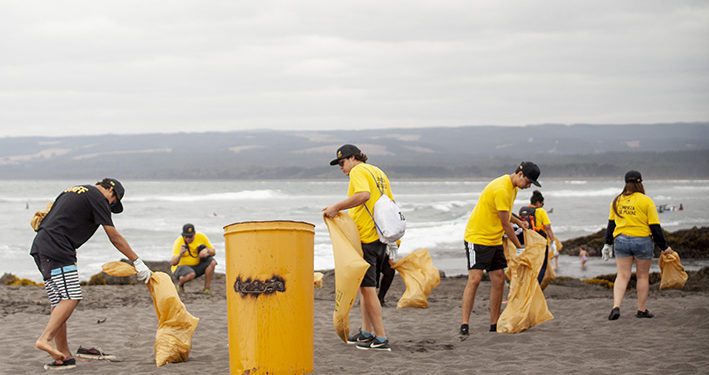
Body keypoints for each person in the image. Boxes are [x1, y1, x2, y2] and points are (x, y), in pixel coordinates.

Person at [29, 178, 152, 371]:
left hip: (41, 246)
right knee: (72, 297)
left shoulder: (72, 190)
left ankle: (65, 356)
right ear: (111, 190)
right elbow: (114, 236)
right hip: (58, 247)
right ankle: (45, 339)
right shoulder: (98, 197)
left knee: (59, 302)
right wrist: (137, 261)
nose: (111, 206)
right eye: (114, 201)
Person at [323, 144, 394, 351]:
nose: (341, 168)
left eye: (343, 162)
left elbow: (363, 195)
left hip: (367, 238)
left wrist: (336, 207)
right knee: (365, 289)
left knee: (369, 290)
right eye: (339, 164)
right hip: (381, 236)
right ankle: (366, 331)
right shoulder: (378, 172)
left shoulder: (358, 171)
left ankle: (381, 337)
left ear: (354, 158)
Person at [459, 162, 541, 336]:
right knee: (475, 279)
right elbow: (505, 224)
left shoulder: (513, 188)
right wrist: (519, 247)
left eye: (531, 184)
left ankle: (494, 324)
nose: (528, 186)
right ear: (519, 174)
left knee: (498, 279)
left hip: (494, 239)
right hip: (477, 237)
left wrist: (520, 222)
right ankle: (464, 324)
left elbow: (505, 213)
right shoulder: (502, 188)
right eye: (528, 181)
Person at [602, 170, 673, 321]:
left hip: (620, 240)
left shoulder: (617, 200)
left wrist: (607, 244)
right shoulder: (646, 201)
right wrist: (665, 247)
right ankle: (641, 310)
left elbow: (611, 225)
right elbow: (655, 227)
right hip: (642, 240)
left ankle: (616, 307)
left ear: (625, 182)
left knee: (622, 276)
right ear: (640, 182)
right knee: (642, 276)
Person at [519, 190, 558, 278]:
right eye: (542, 204)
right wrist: (553, 241)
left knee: (529, 266)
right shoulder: (541, 211)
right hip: (540, 243)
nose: (542, 206)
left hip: (526, 242)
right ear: (537, 202)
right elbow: (547, 227)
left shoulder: (523, 210)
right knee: (541, 267)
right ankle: (535, 287)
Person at [170, 223, 217, 294]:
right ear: (183, 235)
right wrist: (180, 254)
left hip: (197, 266)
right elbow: (173, 263)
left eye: (190, 236)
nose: (188, 239)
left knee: (212, 262)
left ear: (194, 234)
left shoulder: (201, 237)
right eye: (186, 237)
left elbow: (213, 252)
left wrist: (207, 250)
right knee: (191, 274)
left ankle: (207, 289)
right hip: (181, 268)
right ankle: (180, 284)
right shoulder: (179, 242)